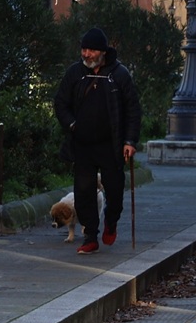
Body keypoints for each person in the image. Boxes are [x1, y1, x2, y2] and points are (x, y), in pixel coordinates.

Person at [54, 26, 142, 254]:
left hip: (111, 145)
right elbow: (60, 103)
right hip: (82, 145)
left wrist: (130, 141)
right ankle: (90, 235)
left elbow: (133, 110)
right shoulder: (75, 73)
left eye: (91, 50)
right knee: (83, 193)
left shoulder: (119, 75)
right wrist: (72, 124)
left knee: (114, 189)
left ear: (102, 52)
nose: (86, 54)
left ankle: (110, 222)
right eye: (84, 49)